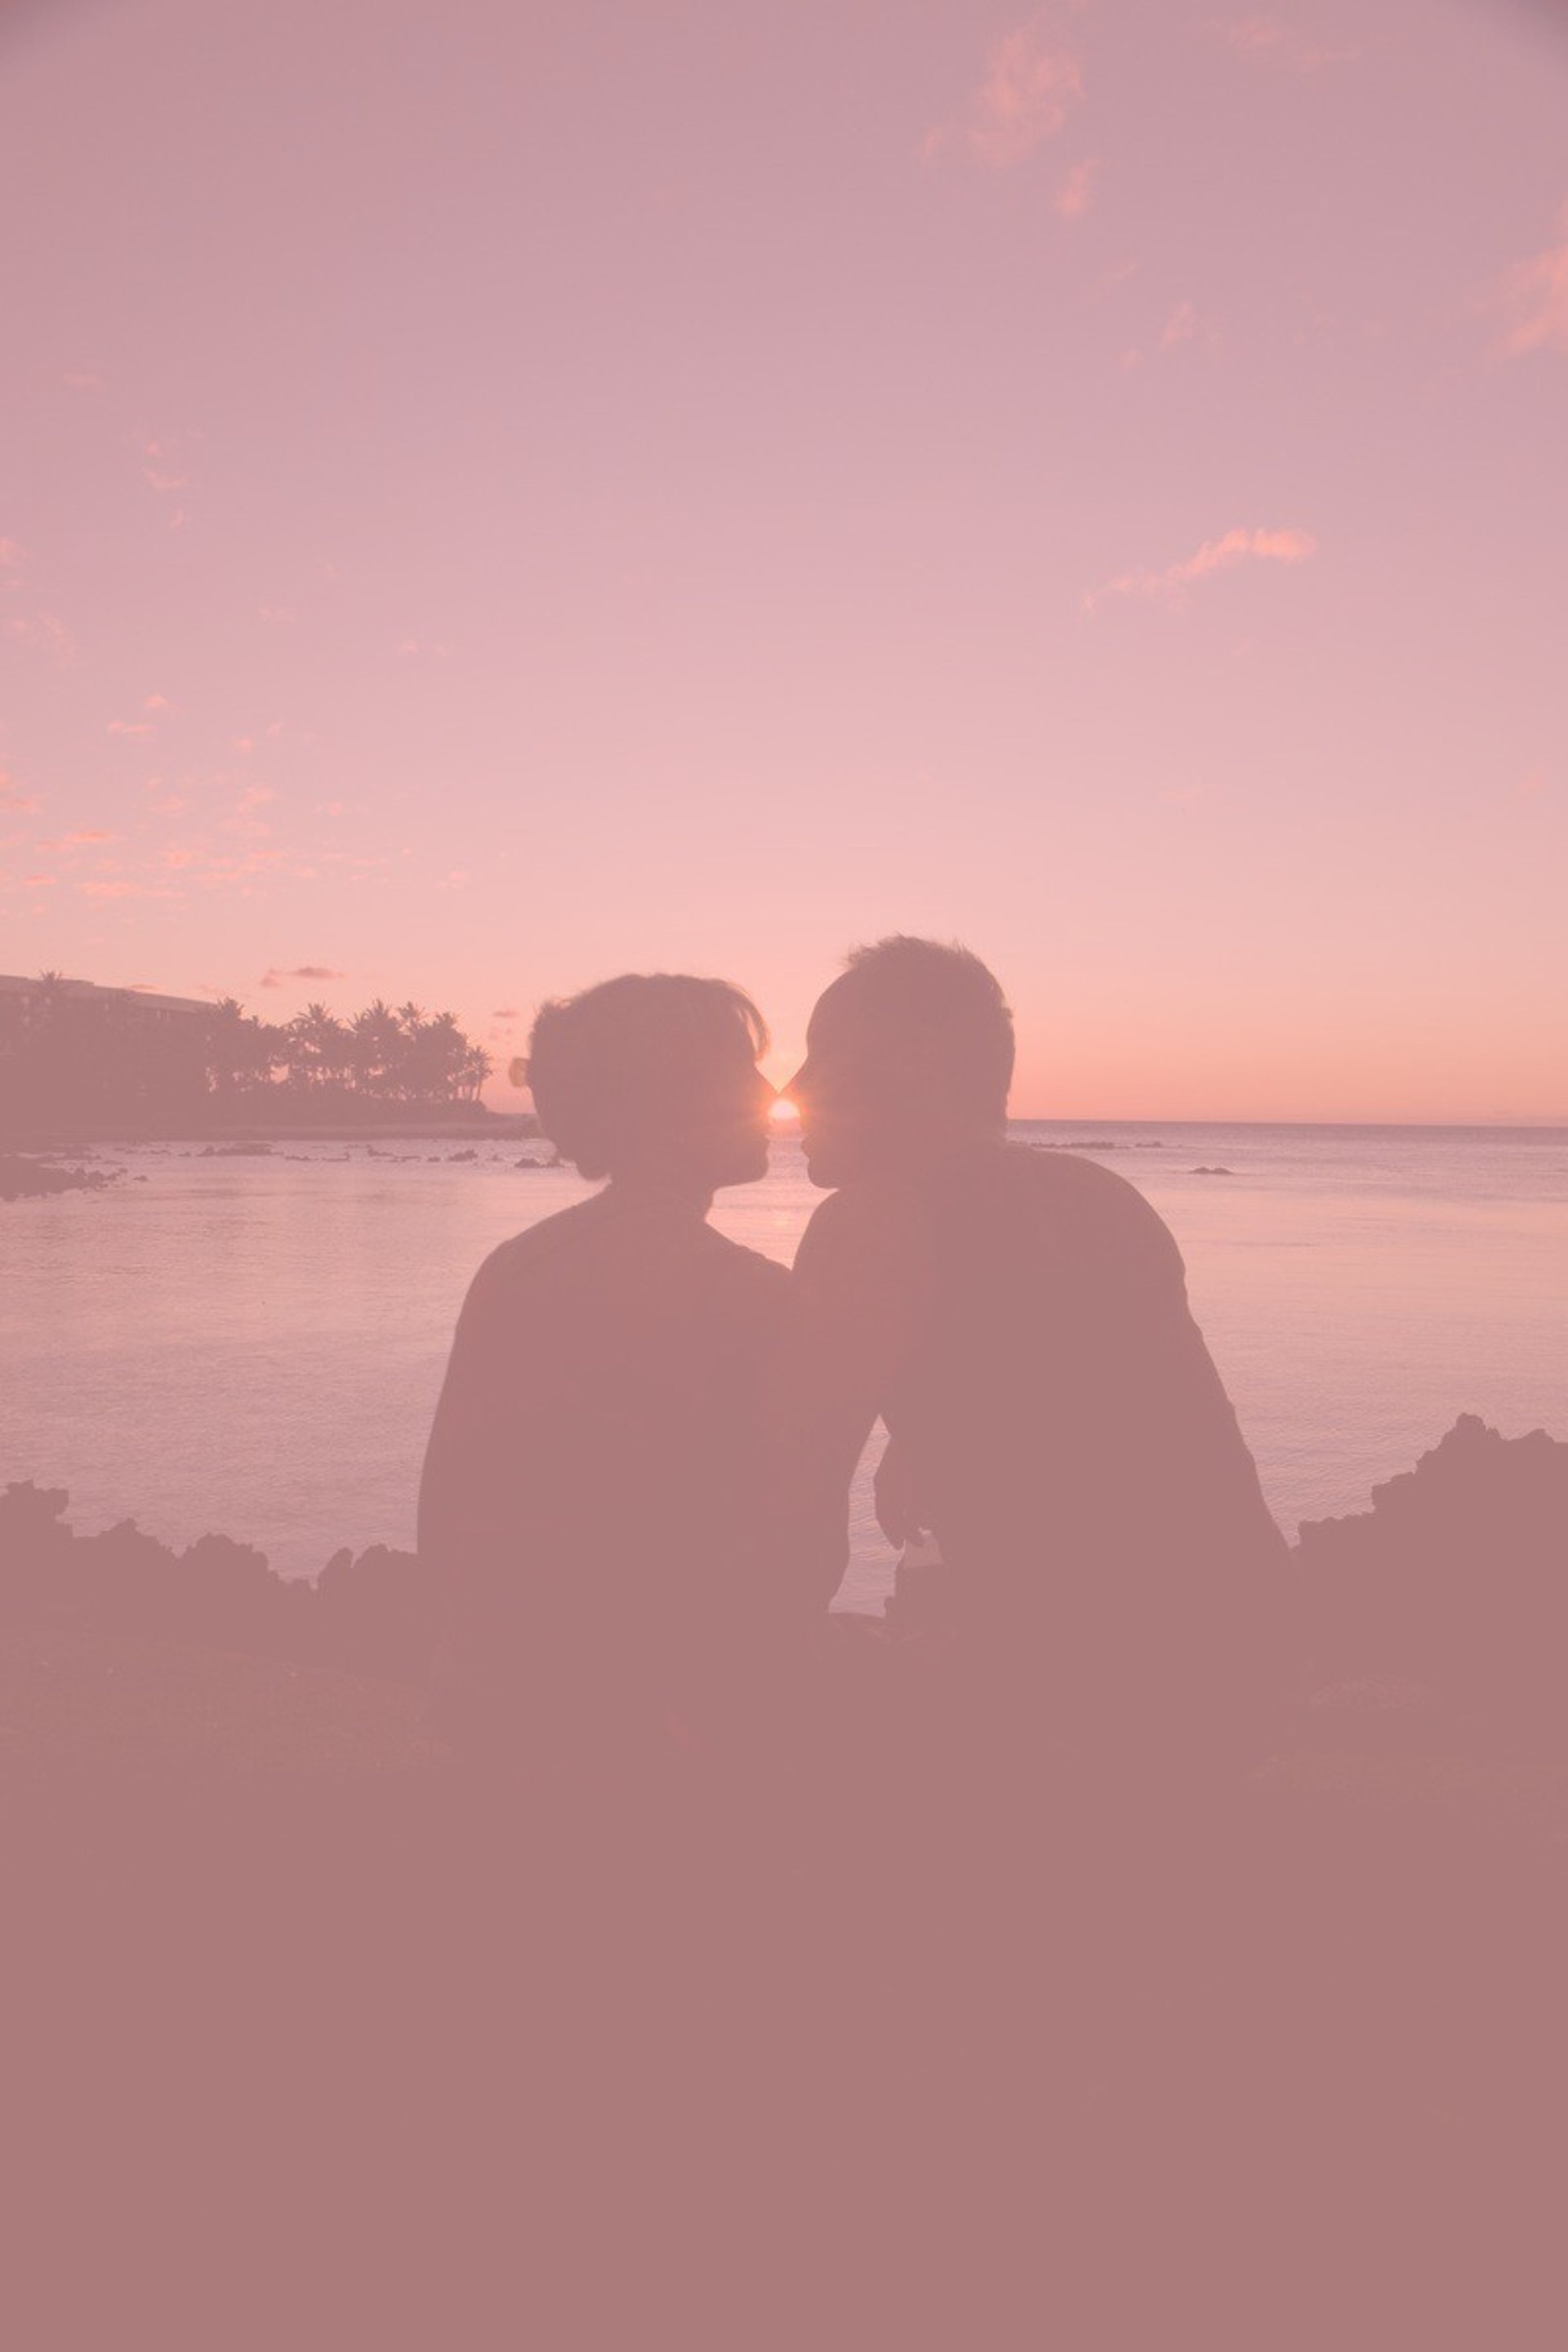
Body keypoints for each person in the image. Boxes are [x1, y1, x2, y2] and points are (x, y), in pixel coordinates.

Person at [777, 935, 1294, 1777]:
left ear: (910, 1067)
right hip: (1249, 1661)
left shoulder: (871, 1221)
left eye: (824, 1054)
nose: (792, 1087)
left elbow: (795, 1508)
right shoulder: (1099, 1199)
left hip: (1087, 1697)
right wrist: (917, 1435)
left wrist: (745, 1666)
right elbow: (1059, 1381)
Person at [417, 973, 787, 1780]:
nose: (771, 1089)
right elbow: (770, 1551)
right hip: (643, 1728)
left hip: (494, 1697)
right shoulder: (744, 1296)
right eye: (741, 1069)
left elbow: (445, 1519)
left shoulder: (515, 1268)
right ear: (669, 1101)